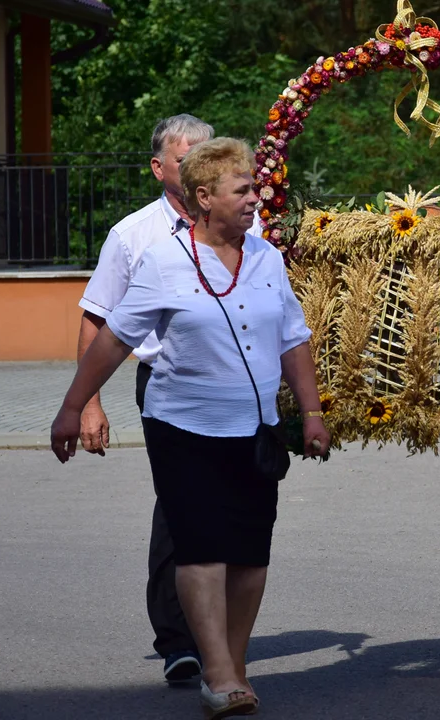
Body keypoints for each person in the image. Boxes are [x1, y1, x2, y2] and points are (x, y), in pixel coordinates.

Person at [51, 137, 330, 718]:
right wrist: (76, 406)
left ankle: (232, 661)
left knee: (252, 554)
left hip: (255, 429)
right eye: (243, 189)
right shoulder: (161, 260)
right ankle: (219, 673)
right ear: (204, 198)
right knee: (202, 548)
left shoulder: (267, 258)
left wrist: (312, 413)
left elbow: (294, 339)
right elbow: (112, 339)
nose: (257, 197)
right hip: (182, 426)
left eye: (255, 187)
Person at [76, 113, 214, 683]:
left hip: (236, 386)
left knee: (232, 505)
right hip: (165, 383)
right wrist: (88, 403)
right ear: (159, 169)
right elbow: (96, 320)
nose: (202, 166)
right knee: (181, 504)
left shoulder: (243, 226)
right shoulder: (132, 235)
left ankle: (219, 629)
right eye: (187, 158)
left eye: (211, 154)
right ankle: (179, 639)